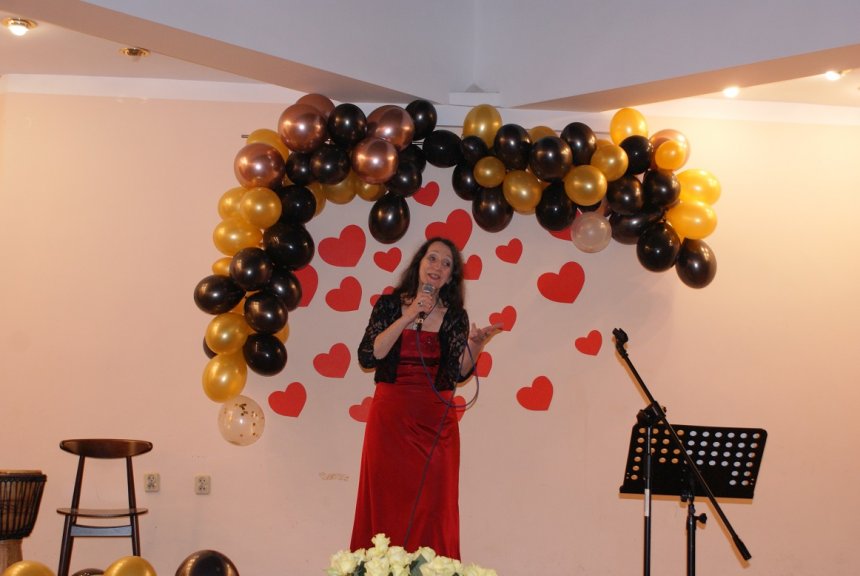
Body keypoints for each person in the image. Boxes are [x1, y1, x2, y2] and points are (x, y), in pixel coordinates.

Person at [350, 236, 501, 559]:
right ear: (419, 263)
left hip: (436, 423)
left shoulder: (455, 315)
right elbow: (370, 355)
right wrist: (409, 315)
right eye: (432, 258)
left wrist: (476, 345)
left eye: (447, 264)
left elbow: (458, 374)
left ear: (451, 276)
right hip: (390, 421)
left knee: (434, 506)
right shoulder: (389, 305)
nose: (438, 267)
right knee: (386, 502)